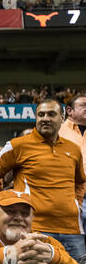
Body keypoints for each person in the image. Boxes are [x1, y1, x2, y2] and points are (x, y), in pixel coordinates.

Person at [0, 99, 86, 262]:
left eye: (51, 114)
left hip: (72, 230)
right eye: (41, 115)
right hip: (35, 229)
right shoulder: (17, 145)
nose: (45, 118)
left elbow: (80, 181)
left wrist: (77, 203)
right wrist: (4, 206)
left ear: (62, 119)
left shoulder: (73, 149)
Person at [58, 93, 86, 243]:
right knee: (73, 245)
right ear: (69, 111)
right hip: (67, 196)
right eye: (84, 105)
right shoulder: (57, 131)